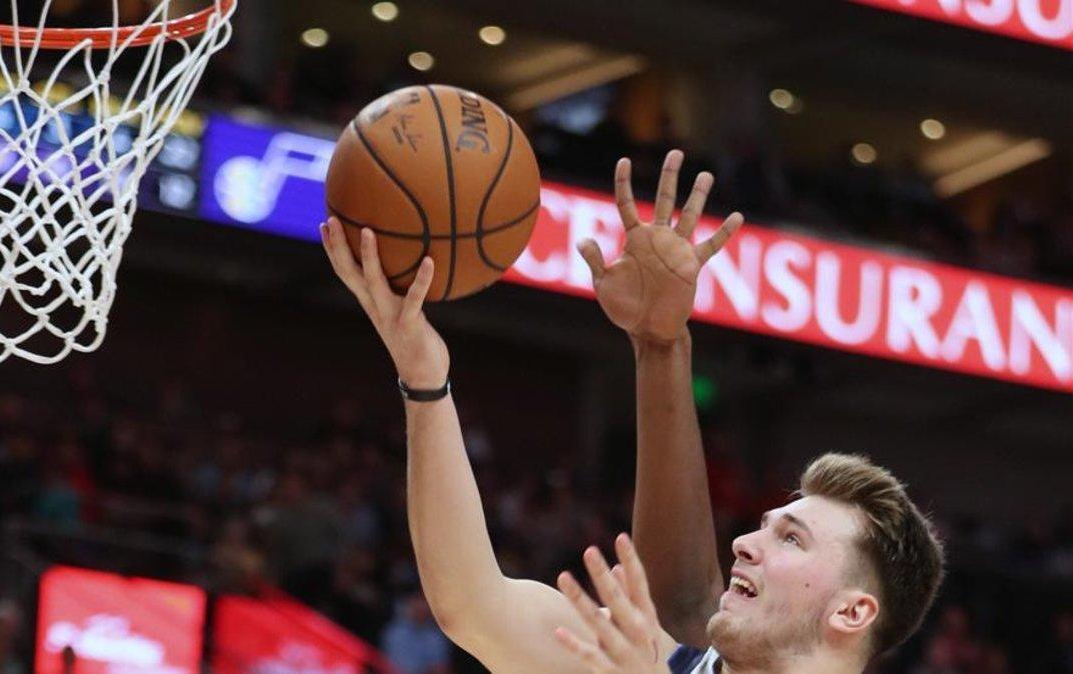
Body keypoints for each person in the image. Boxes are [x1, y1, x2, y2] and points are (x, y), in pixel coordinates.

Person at [320, 149, 945, 673]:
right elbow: (471, 603)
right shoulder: (645, 658)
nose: (747, 544)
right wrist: (425, 380)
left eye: (791, 539)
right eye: (767, 525)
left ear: (852, 611)